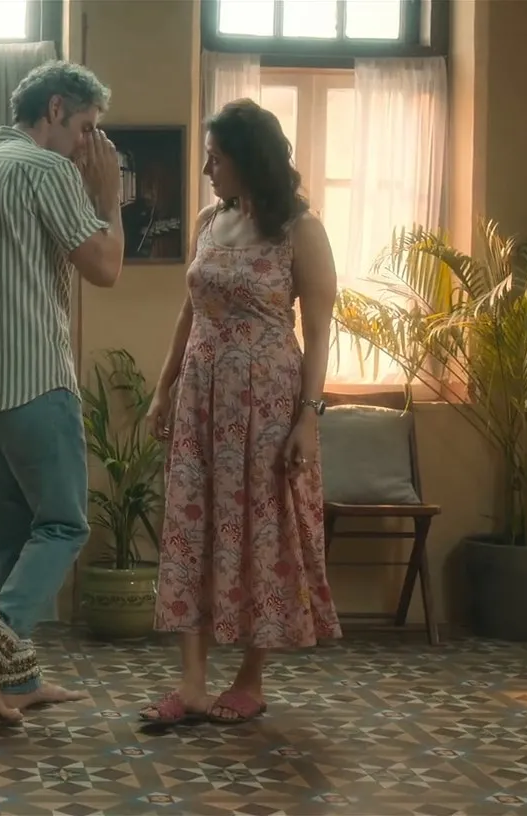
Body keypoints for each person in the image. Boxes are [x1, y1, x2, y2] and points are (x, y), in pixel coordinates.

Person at [139, 99, 343, 725]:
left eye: (216, 158)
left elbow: (318, 330)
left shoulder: (300, 231)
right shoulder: (209, 220)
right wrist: (164, 387)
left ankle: (251, 677)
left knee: (264, 532)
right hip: (201, 400)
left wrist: (308, 417)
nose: (206, 169)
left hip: (268, 405)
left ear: (248, 161)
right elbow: (189, 311)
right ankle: (191, 685)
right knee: (190, 527)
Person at [0, 60, 126, 724]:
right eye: (86, 127)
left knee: (14, 535)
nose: (88, 143)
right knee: (65, 524)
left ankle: (18, 681)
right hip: (33, 378)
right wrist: (108, 197)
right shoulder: (46, 170)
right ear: (55, 109)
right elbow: (104, 268)